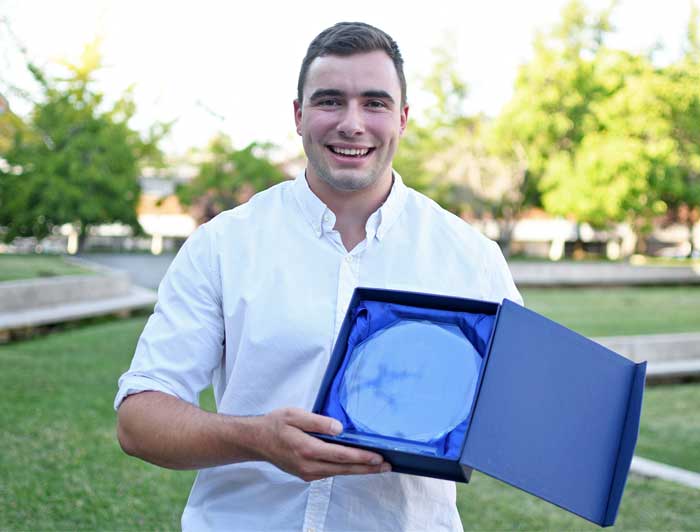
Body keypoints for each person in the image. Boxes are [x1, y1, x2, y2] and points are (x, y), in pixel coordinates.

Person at [115, 21, 521, 531]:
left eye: (374, 103)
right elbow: (139, 420)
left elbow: (517, 417)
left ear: (402, 118)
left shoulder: (472, 258)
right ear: (298, 115)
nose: (352, 124)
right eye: (330, 101)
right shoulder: (222, 245)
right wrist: (256, 438)